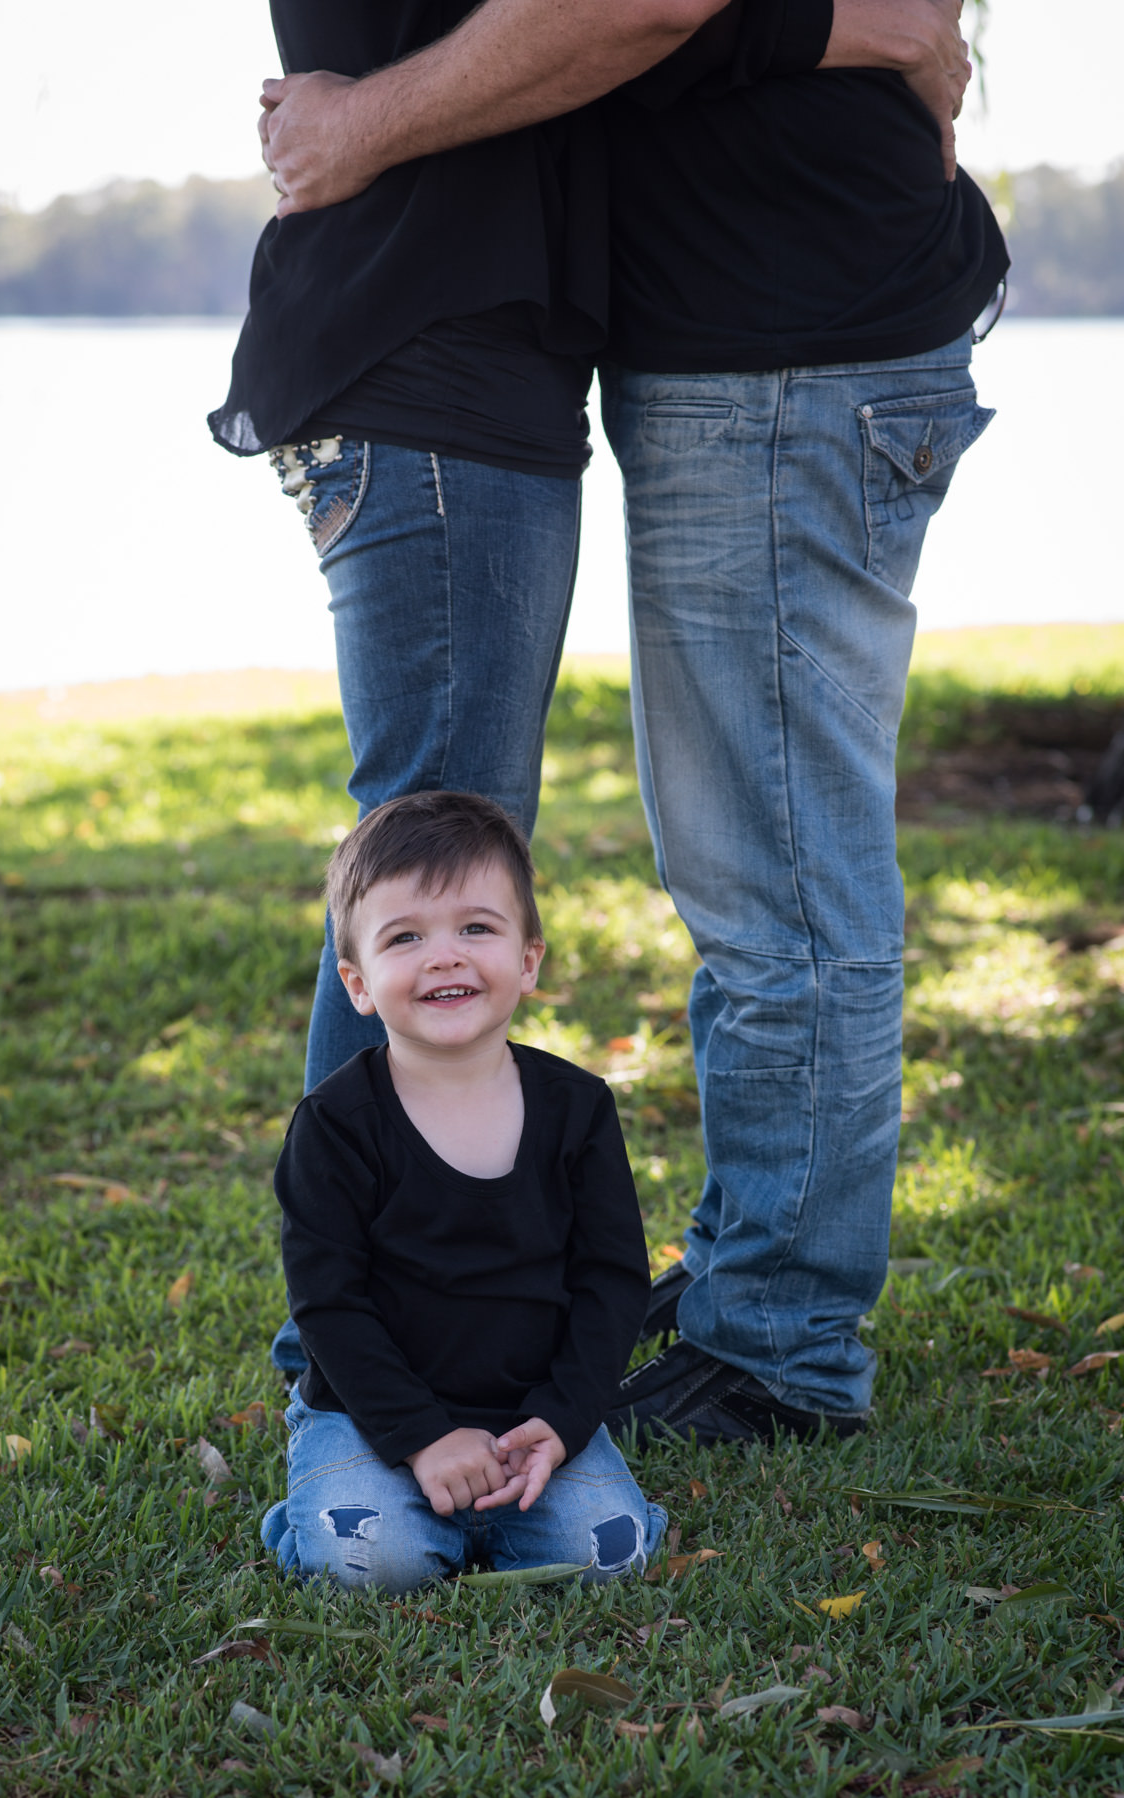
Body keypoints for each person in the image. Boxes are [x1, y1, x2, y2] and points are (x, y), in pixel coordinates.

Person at [257, 0, 1009, 1450]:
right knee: (579, 870)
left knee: (775, 879)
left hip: (786, 338)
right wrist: (866, 27)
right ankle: (465, 1322)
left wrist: (879, 29)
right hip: (728, 338)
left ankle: (778, 1343)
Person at [259, 791, 666, 1592]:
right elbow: (329, 1305)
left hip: (529, 1416)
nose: (444, 956)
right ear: (358, 982)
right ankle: (315, 1511)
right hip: (371, 1419)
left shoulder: (577, 1109)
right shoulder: (334, 1125)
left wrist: (562, 1417)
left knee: (606, 1556)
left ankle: (496, 1512)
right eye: (405, 937)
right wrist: (421, 1438)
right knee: (373, 1566)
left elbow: (611, 1281)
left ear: (528, 960)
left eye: (476, 928)